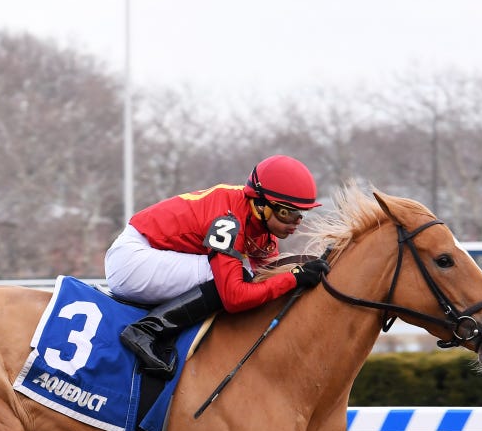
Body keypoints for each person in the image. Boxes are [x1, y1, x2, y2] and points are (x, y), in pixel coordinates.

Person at [106, 154, 330, 378]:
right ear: (261, 205)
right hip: (132, 260)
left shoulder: (262, 230)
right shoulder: (228, 220)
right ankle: (146, 330)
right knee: (237, 278)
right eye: (287, 213)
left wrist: (302, 276)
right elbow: (234, 297)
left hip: (154, 255)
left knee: (251, 280)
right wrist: (294, 277)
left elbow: (270, 281)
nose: (296, 222)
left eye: (301, 214)